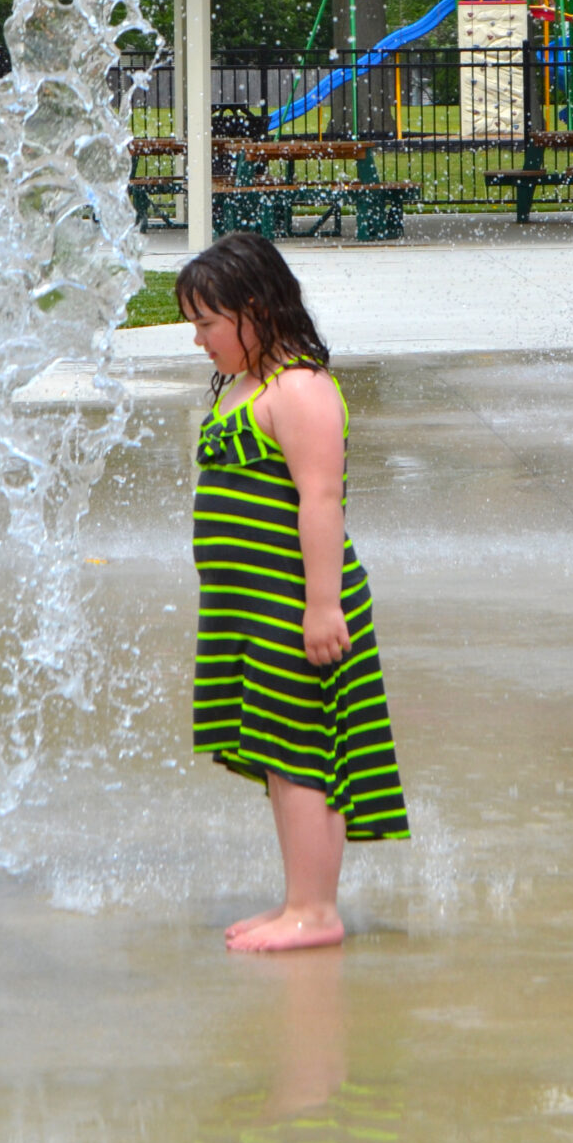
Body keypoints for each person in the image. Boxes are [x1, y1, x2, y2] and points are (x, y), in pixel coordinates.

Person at [175, 232, 408, 952]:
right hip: (250, 605)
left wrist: (321, 605)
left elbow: (320, 502)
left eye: (208, 324)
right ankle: (297, 901)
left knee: (303, 749)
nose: (198, 340)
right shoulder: (247, 388)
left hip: (296, 600)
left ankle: (314, 911)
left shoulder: (301, 391)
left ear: (255, 310)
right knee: (278, 747)